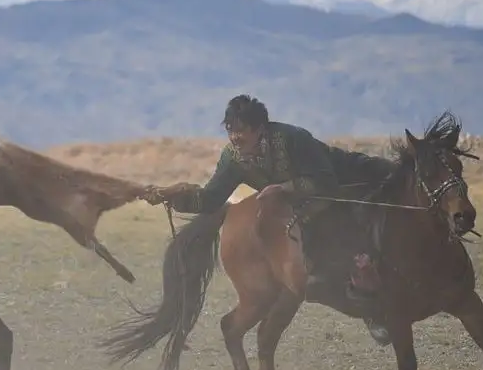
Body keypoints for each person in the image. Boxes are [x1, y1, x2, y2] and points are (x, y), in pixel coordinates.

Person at [140, 94, 392, 343]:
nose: (235, 137)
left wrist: (284, 188)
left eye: (241, 131)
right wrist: (173, 198)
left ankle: (374, 312)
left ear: (260, 128)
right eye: (230, 130)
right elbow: (211, 200)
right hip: (303, 206)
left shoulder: (293, 138)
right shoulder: (232, 158)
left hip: (345, 181)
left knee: (364, 241)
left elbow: (325, 182)